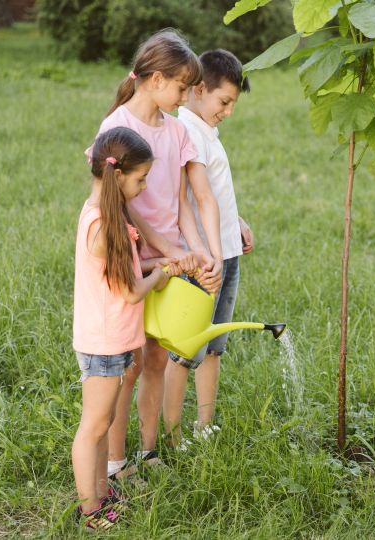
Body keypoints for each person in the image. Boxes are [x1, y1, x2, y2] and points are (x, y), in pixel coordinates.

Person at [86, 29, 224, 481]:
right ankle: (115, 461)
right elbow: (120, 204)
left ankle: (147, 452)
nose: (187, 96)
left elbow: (184, 202)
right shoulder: (117, 127)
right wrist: (167, 251)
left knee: (156, 360)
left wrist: (196, 252)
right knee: (126, 366)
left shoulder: (178, 129)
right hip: (138, 262)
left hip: (169, 261)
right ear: (158, 80)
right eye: (183, 87)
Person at [72, 127, 179, 529]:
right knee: (94, 426)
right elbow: (133, 291)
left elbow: (130, 272)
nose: (144, 185)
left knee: (102, 424)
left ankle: (101, 489)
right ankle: (90, 510)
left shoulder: (110, 215)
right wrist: (161, 275)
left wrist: (160, 266)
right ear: (118, 175)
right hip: (102, 342)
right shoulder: (101, 227)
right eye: (141, 178)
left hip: (115, 338)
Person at [162, 49, 254, 448]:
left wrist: (237, 225)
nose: (228, 111)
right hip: (203, 261)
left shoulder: (207, 132)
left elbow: (217, 196)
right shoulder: (186, 131)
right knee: (186, 350)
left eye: (233, 103)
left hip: (227, 253)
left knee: (214, 346)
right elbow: (192, 201)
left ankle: (204, 424)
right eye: (224, 101)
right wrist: (207, 254)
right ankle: (172, 433)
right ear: (199, 90)